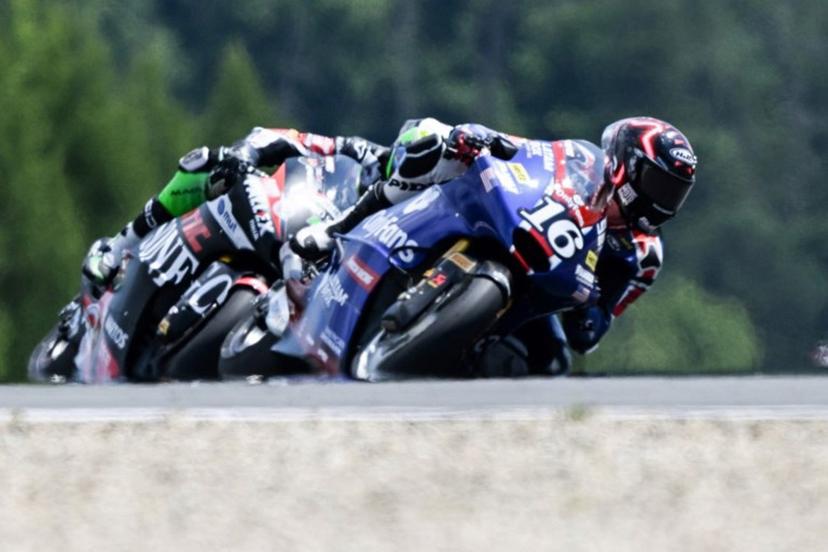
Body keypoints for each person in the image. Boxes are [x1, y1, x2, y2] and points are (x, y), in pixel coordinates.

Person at [289, 116, 697, 375]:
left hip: (549, 291)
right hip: (516, 227)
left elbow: (592, 329)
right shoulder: (582, 159)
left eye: (673, 193)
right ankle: (338, 228)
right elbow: (531, 153)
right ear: (625, 163)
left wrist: (590, 312)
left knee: (553, 362)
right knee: (430, 139)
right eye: (658, 184)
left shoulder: (639, 255)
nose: (662, 201)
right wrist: (481, 139)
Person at [82, 128, 389, 287]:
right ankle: (116, 247)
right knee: (204, 165)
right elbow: (291, 139)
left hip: (311, 254)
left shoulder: (393, 210)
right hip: (276, 211)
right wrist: (245, 155)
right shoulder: (360, 151)